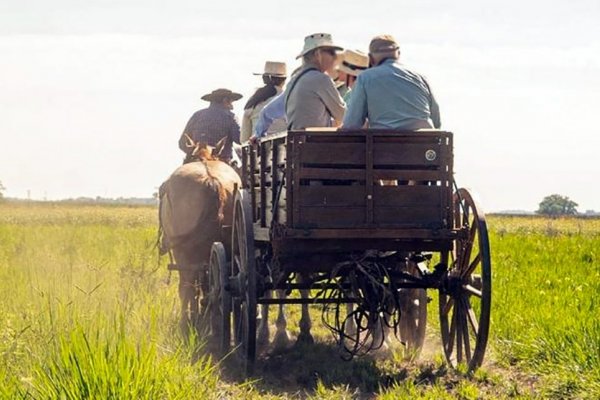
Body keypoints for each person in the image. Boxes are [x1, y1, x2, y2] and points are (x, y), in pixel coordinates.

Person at [343, 35, 441, 130]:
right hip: (423, 144)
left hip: (383, 145)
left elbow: (351, 124)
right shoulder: (421, 78)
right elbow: (437, 121)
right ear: (399, 54)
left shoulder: (365, 78)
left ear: (371, 58)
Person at [284, 33, 346, 130]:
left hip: (299, 140)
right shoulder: (320, 79)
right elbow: (343, 115)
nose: (335, 57)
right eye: (331, 52)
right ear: (318, 54)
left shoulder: (293, 81)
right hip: (315, 141)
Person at [178, 88, 242, 161]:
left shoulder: (197, 115)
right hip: (222, 159)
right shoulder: (231, 117)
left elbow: (182, 143)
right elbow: (240, 140)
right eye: (231, 102)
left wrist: (197, 153)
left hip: (194, 159)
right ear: (225, 100)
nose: (232, 106)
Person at [241, 61, 287, 142]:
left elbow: (243, 139)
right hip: (284, 149)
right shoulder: (289, 100)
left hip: (257, 150)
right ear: (284, 80)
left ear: (264, 79)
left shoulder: (252, 103)